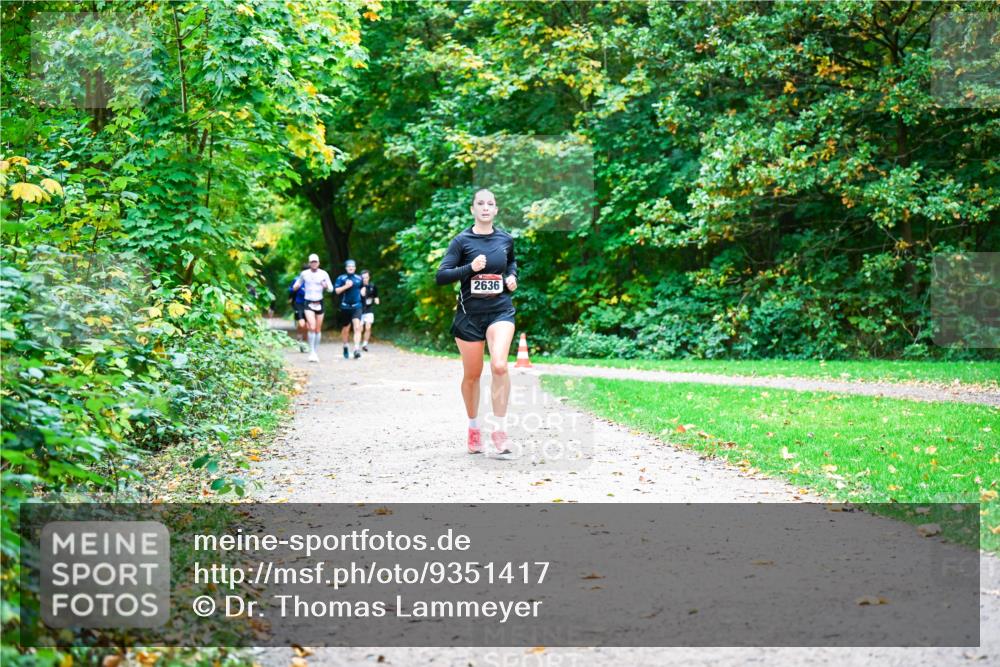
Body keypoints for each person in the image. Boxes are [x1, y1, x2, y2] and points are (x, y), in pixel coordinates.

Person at [435, 188, 518, 458]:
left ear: (495, 210)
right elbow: (442, 276)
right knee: (472, 375)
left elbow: (512, 263)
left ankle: (500, 430)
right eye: (480, 203)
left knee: (499, 365)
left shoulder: (506, 239)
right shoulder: (461, 241)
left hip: (500, 312)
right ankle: (473, 428)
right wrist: (471, 268)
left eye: (490, 204)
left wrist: (511, 278)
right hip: (469, 316)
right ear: (472, 209)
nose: (485, 207)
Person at [291, 253, 333, 363]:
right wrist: (295, 287)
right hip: (308, 303)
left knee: (318, 329)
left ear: (318, 263)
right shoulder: (304, 274)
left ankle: (315, 350)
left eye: (316, 262)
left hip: (319, 302)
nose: (314, 264)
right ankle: (312, 353)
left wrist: (326, 286)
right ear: (309, 263)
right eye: (312, 262)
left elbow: (331, 289)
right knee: (312, 326)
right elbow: (297, 284)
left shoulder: (324, 274)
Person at [334, 259, 364, 360]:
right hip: (345, 306)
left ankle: (356, 349)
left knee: (357, 327)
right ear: (346, 268)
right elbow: (337, 291)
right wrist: (346, 286)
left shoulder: (359, 278)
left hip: (357, 306)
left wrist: (363, 292)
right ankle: (345, 346)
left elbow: (362, 288)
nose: (351, 268)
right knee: (346, 328)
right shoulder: (341, 278)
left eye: (352, 266)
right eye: (349, 266)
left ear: (355, 268)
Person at [288, 263, 308, 352]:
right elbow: (291, 290)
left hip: (309, 304)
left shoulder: (311, 280)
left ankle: (304, 342)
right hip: (298, 303)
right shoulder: (296, 279)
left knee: (307, 325)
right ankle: (300, 339)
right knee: (301, 323)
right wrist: (294, 289)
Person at [359, 269, 380, 352]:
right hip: (360, 310)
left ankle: (365, 344)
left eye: (366, 277)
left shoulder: (372, 286)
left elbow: (376, 295)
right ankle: (357, 343)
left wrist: (376, 299)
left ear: (369, 278)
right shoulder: (358, 286)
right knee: (360, 329)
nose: (365, 279)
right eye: (363, 278)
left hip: (369, 309)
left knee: (368, 327)